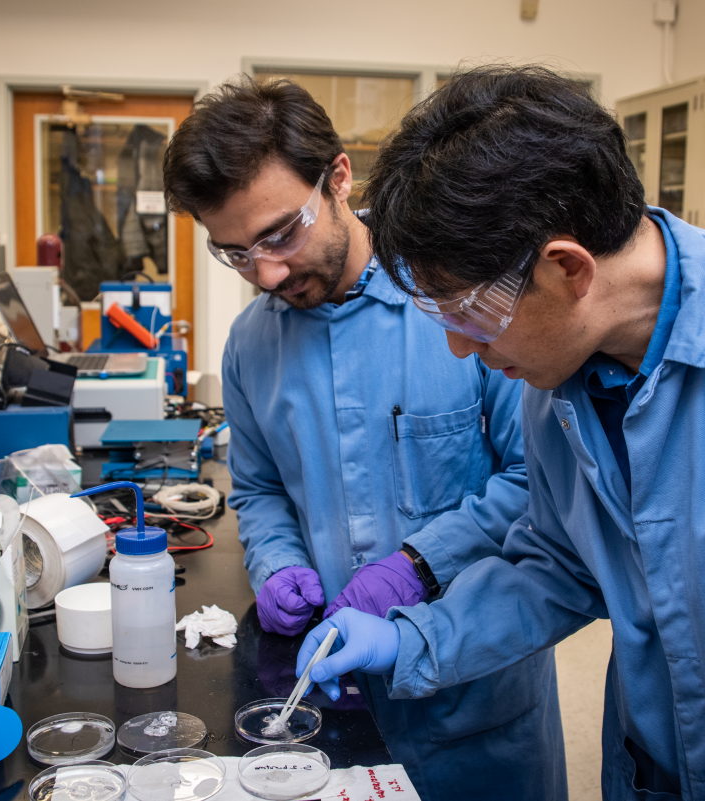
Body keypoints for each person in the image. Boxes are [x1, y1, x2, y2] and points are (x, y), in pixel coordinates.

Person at [299, 65, 705, 800]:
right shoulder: (556, 390)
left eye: (468, 313)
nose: (460, 348)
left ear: (567, 268)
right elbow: (561, 568)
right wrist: (411, 638)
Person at [162, 77, 566, 801]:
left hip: (477, 698)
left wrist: (416, 565)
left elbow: (538, 480)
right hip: (327, 696)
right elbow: (258, 489)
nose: (267, 272)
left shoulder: (464, 297)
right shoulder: (250, 345)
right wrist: (277, 563)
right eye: (236, 253)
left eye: (281, 234)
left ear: (340, 178)